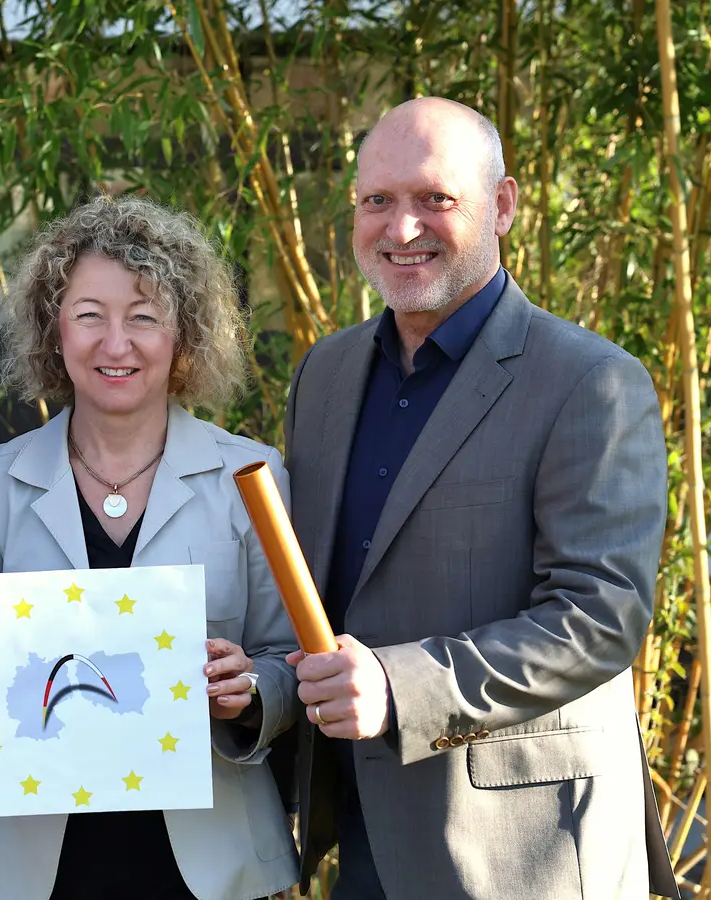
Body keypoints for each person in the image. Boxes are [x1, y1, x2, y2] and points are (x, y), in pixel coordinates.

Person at [281, 96, 681, 898]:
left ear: (502, 207)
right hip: (361, 836)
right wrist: (254, 683)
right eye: (377, 201)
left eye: (435, 199)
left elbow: (600, 616)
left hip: (520, 851)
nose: (401, 229)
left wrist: (401, 688)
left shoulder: (590, 382)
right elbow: (318, 598)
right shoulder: (324, 376)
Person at [0, 195, 299, 900]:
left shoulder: (252, 475)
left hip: (216, 864)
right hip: (42, 866)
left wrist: (247, 689)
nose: (115, 343)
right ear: (52, 330)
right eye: (90, 315)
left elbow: (294, 664)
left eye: (144, 317)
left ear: (184, 336)